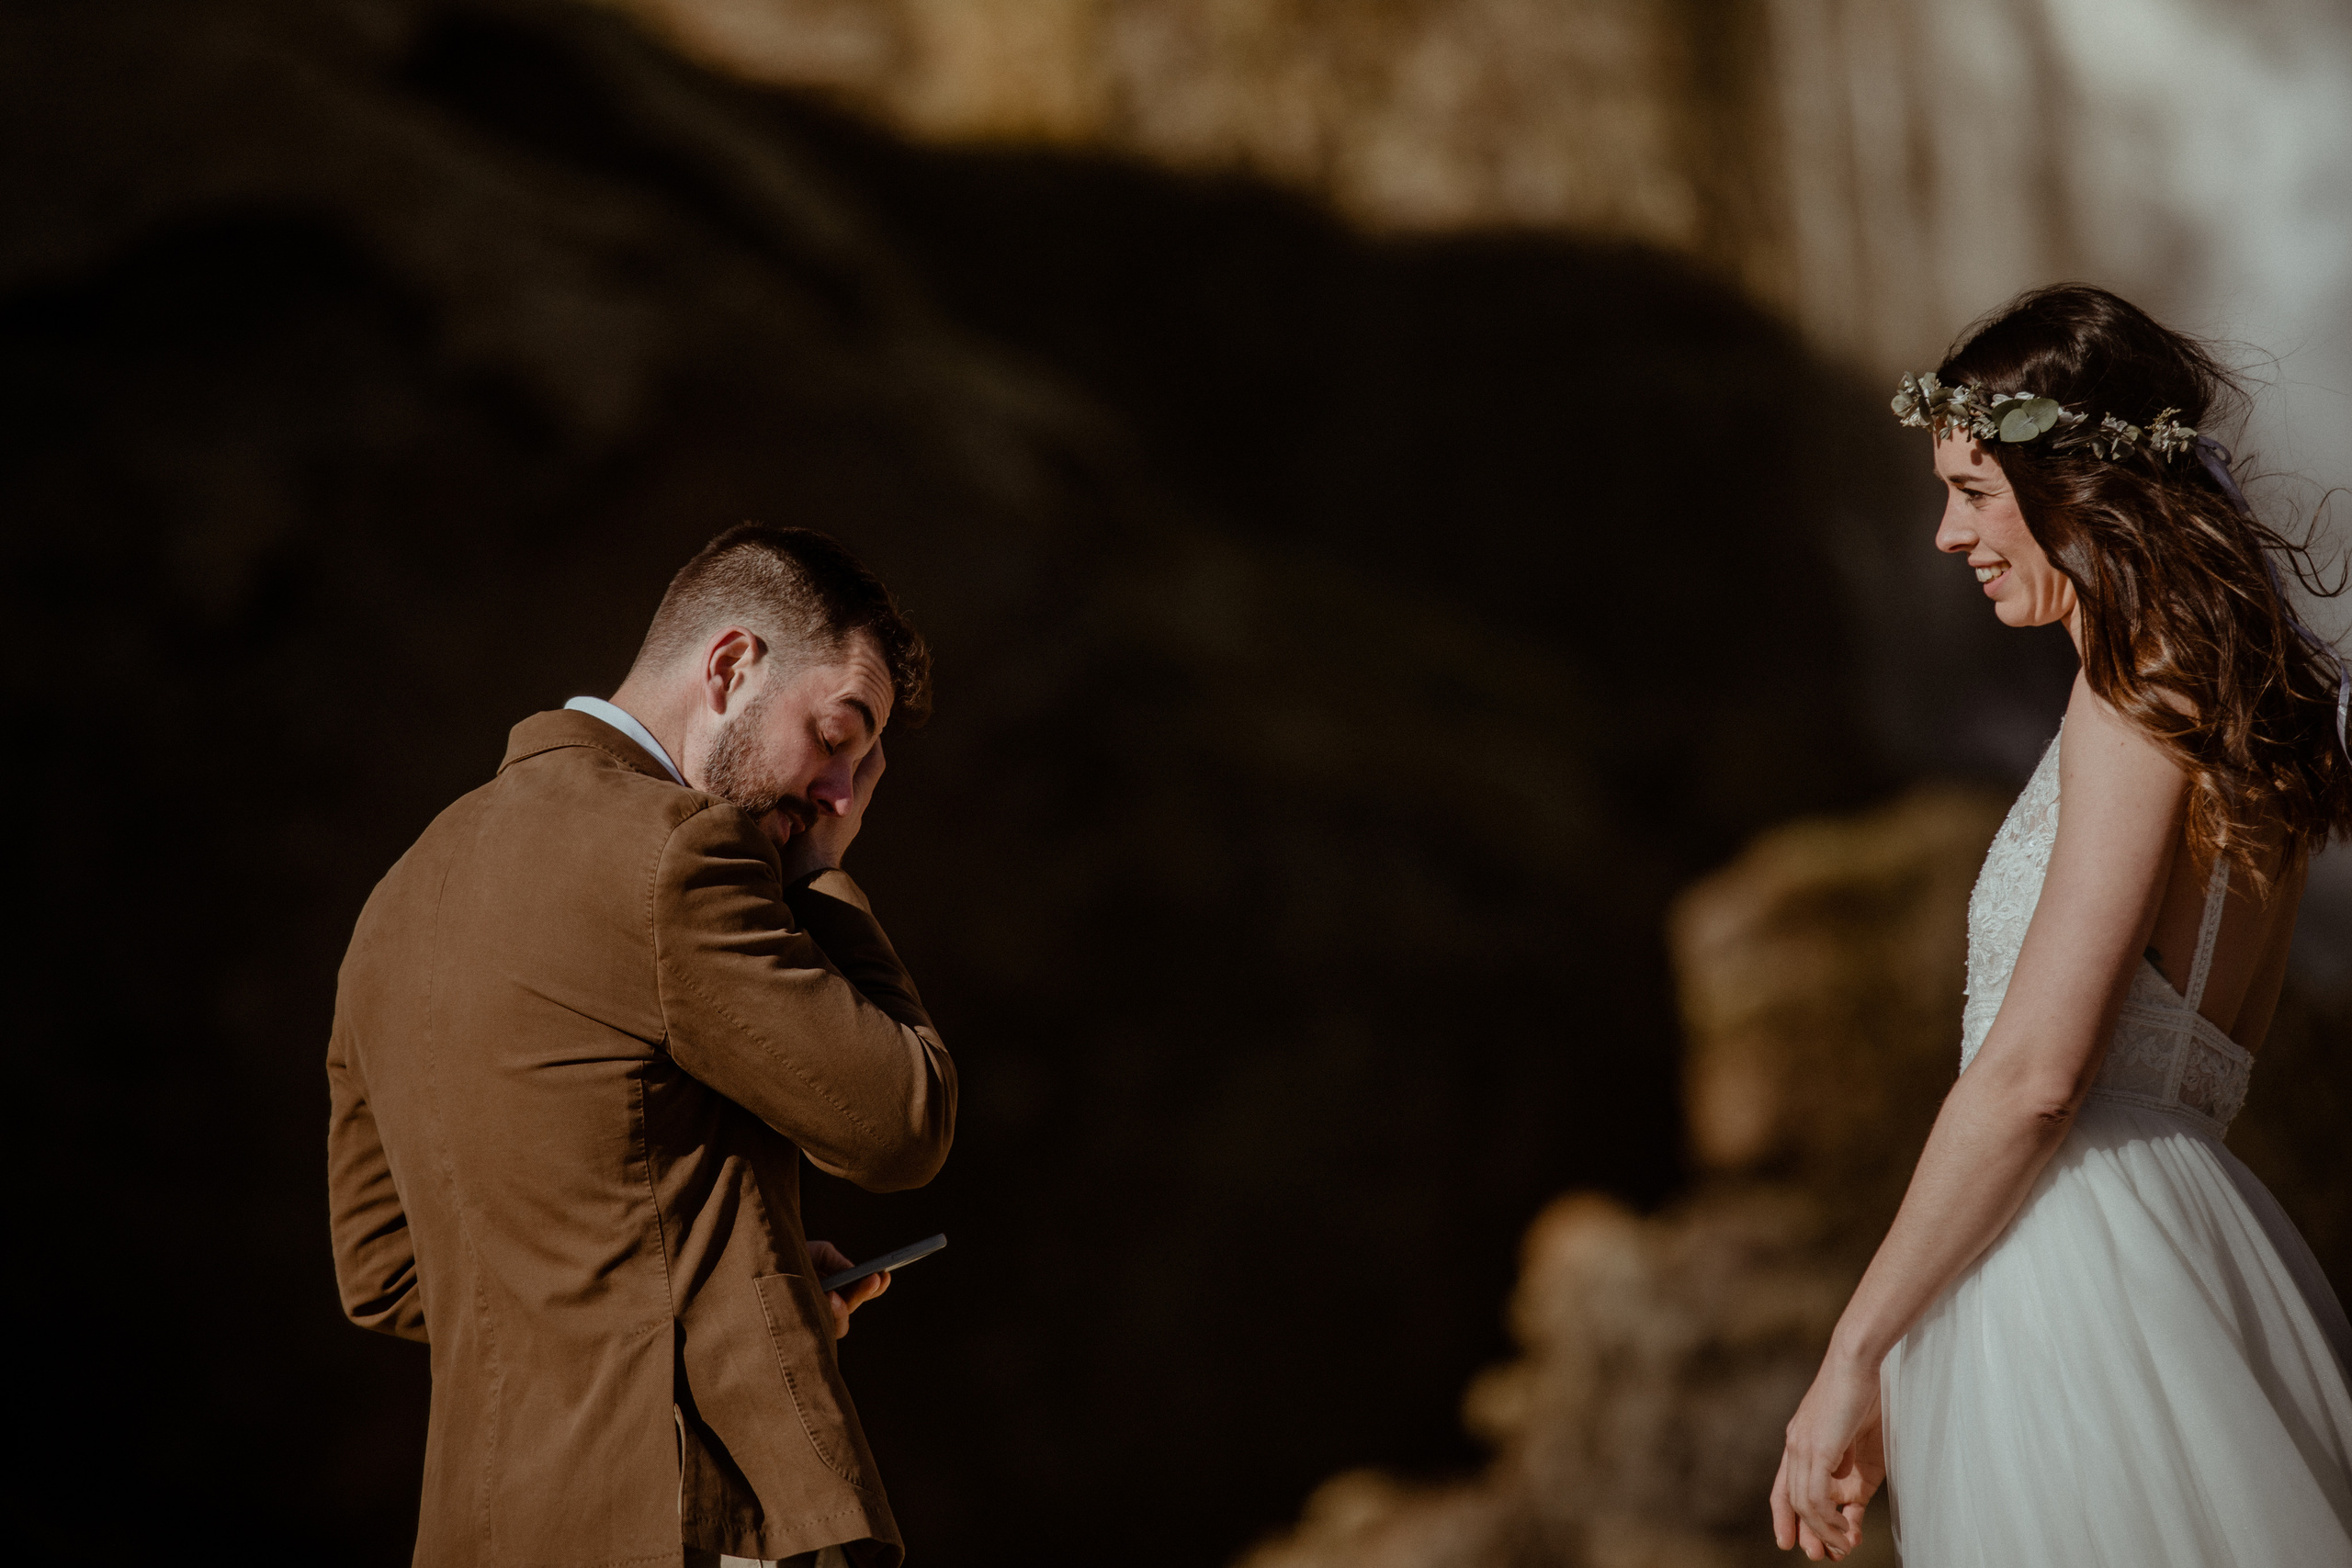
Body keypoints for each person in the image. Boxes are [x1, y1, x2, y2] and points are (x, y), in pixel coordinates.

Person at [1770, 284, 2352, 1565]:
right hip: (2189, 1242)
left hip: (2069, 1273)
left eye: (1976, 492)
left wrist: (1852, 1354)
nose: (1943, 535)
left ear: (2081, 484)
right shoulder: (2238, 721)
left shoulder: (2133, 699)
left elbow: (2035, 1077)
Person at [327, 525, 956, 1568]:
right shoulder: (678, 849)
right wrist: (823, 878)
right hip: (701, 1524)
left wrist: (725, 1279)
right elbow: (900, 1125)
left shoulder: (399, 897)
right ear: (730, 665)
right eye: (839, 737)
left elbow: (390, 1275)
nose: (841, 793)